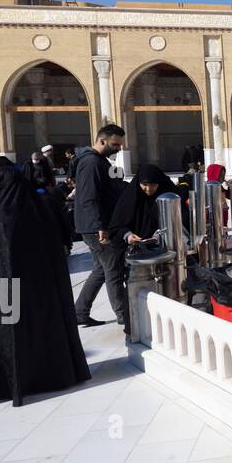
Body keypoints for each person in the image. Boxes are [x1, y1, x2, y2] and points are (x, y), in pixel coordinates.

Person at [0, 164, 91, 409]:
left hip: (4, 298)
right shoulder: (39, 211)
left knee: (10, 338)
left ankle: (11, 380)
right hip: (40, 298)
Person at [72, 124, 130, 330]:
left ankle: (79, 312)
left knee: (100, 269)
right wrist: (100, 226)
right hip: (96, 227)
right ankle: (125, 317)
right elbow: (89, 197)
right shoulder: (91, 163)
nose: (118, 148)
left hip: (94, 224)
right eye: (115, 144)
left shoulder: (100, 161)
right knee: (113, 269)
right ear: (102, 140)